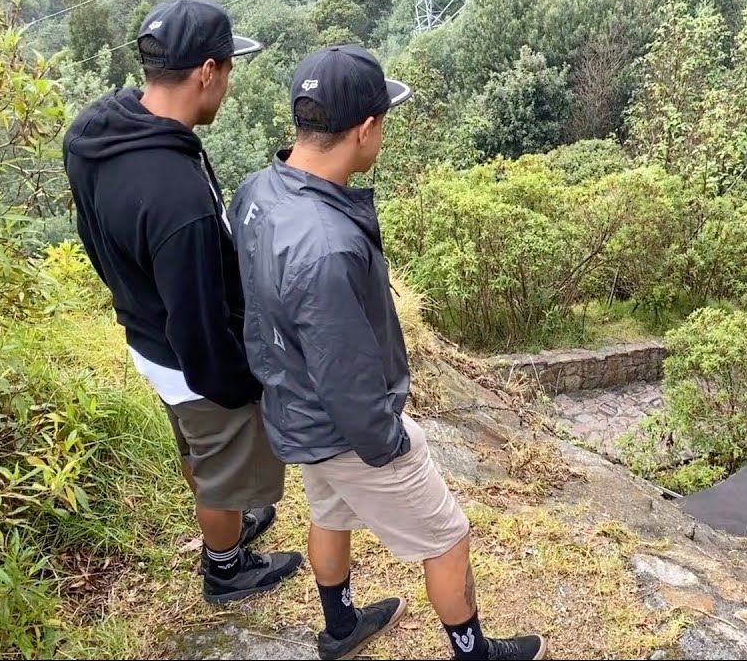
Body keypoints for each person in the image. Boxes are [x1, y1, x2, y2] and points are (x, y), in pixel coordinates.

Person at [230, 45, 546, 661]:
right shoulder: (326, 244)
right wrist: (389, 443)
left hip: (291, 409)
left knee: (331, 513)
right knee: (448, 538)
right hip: (348, 429)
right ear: (365, 128)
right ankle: (474, 653)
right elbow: (345, 373)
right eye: (384, 121)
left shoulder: (258, 192)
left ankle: (341, 627)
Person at [63, 0, 301, 604]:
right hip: (192, 361)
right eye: (228, 69)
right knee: (220, 463)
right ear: (207, 72)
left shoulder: (95, 131)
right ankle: (225, 566)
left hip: (146, 332)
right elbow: (200, 329)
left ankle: (225, 529)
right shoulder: (177, 201)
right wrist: (242, 384)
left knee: (196, 447)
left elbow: (94, 232)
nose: (227, 82)